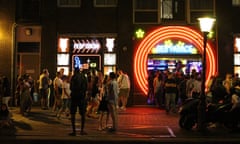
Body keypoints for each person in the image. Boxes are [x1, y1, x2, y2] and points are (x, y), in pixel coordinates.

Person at [69, 68, 88, 136]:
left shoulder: (73, 77)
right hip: (82, 97)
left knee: (73, 113)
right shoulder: (83, 77)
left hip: (74, 96)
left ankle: (74, 131)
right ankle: (82, 130)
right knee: (83, 114)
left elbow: (71, 87)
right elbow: (86, 87)